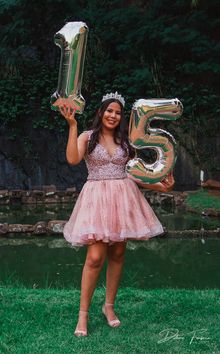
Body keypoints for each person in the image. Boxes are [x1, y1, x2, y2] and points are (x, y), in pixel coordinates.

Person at [59, 92, 174, 337]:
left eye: (118, 112)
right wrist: (72, 125)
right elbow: (72, 159)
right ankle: (83, 314)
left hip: (123, 198)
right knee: (95, 257)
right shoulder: (87, 137)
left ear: (121, 117)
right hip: (97, 199)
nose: (113, 115)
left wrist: (159, 185)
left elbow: (135, 173)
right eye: (109, 110)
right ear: (101, 112)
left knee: (119, 253)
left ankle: (108, 307)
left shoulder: (125, 141)